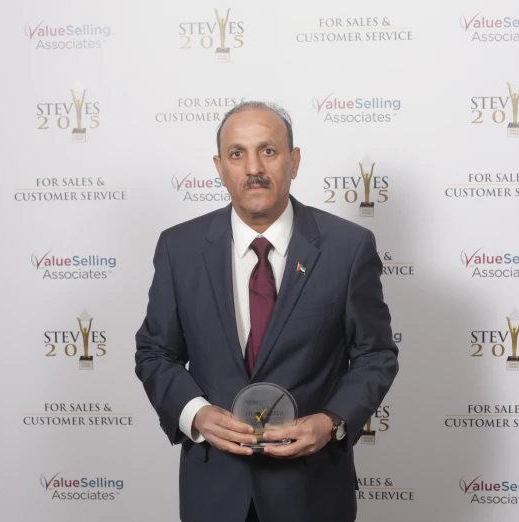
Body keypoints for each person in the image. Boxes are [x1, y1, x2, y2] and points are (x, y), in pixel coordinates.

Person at [135, 101, 399, 522]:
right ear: (220, 167)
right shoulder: (178, 248)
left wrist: (331, 421)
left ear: (294, 161)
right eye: (237, 154)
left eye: (268, 151)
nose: (253, 167)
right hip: (213, 492)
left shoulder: (347, 248)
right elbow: (155, 352)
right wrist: (196, 413)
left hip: (312, 493)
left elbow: (375, 354)